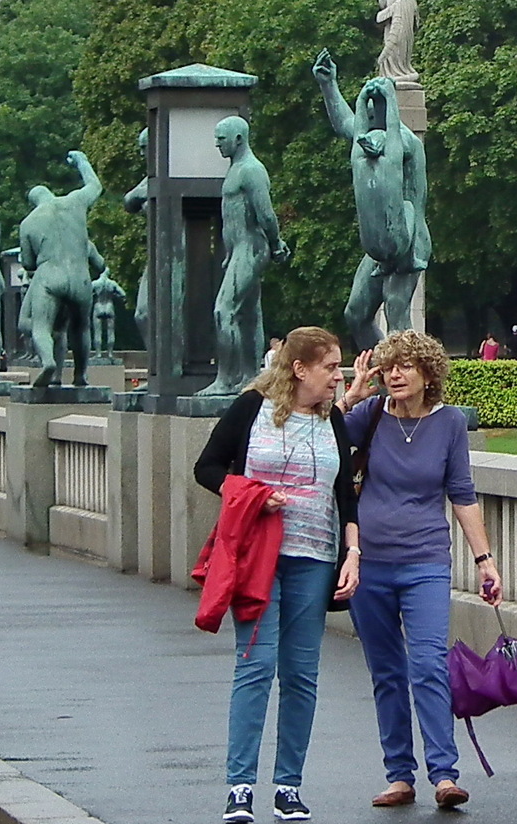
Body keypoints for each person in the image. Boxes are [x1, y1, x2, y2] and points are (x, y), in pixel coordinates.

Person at [193, 327, 361, 824]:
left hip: (315, 557)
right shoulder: (252, 408)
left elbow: (345, 494)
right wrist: (253, 495)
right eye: (330, 367)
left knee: (301, 675)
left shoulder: (333, 419)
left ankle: (289, 786)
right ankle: (240, 786)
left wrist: (352, 552)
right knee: (256, 666)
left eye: (339, 367)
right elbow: (208, 467)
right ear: (300, 369)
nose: (338, 376)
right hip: (259, 557)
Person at [338, 330, 499, 811]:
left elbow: (462, 493)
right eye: (389, 365)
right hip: (369, 563)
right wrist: (349, 399)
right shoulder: (368, 417)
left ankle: (444, 774)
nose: (395, 373)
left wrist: (485, 561)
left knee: (427, 664)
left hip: (425, 561)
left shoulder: (449, 423)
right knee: (386, 671)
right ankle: (399, 775)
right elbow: (317, 437)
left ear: (429, 374)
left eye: (406, 365)